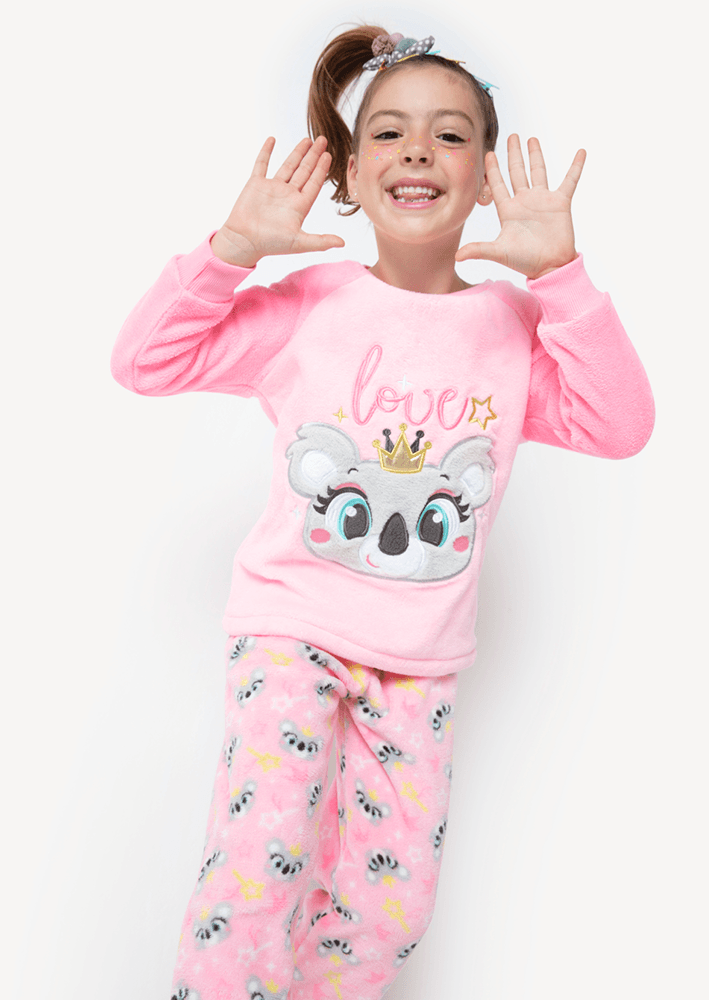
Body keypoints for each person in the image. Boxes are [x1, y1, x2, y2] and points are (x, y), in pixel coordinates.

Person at [111, 25, 654, 1000]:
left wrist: (561, 277)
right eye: (390, 133)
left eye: (450, 135)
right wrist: (231, 251)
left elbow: (621, 427)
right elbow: (146, 362)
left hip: (422, 660)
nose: (418, 152)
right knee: (259, 864)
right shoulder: (311, 303)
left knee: (388, 909)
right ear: (352, 173)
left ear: (485, 178)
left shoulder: (513, 326)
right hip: (291, 631)